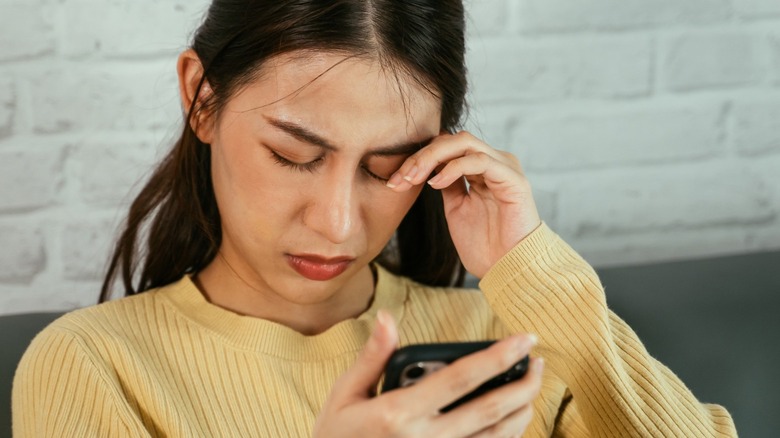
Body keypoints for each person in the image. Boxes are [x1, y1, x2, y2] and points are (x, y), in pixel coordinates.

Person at [13, 1, 737, 436]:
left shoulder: (501, 340)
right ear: (201, 98)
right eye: (293, 155)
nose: (336, 224)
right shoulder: (95, 366)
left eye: (389, 168)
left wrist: (532, 270)